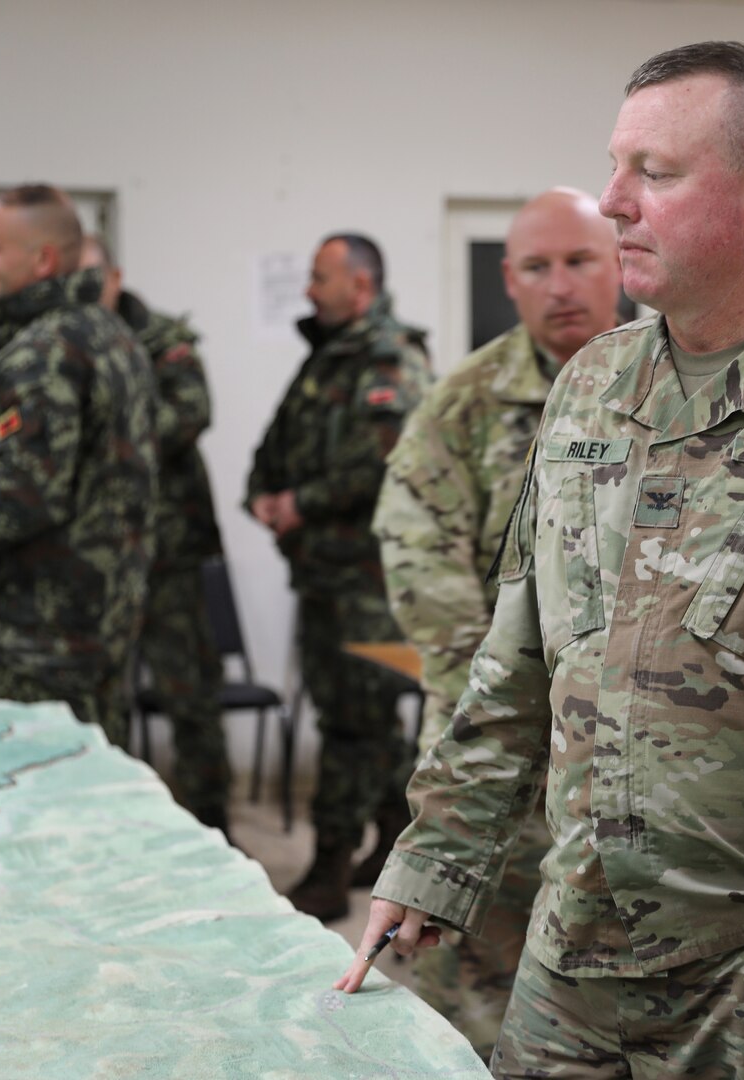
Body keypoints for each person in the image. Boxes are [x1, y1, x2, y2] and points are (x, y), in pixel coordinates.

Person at [342, 42, 744, 1078]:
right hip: (574, 945)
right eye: (615, 165)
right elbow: (517, 658)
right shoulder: (590, 386)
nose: (612, 201)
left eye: (655, 173)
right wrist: (438, 860)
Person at [373, 187, 623, 1060]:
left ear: (621, 263)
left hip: (642, 749)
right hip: (500, 746)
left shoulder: (669, 383)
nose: (560, 285)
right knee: (465, 982)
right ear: (509, 281)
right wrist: (492, 693)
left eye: (580, 260)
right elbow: (415, 545)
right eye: (536, 267)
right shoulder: (465, 403)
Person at [0, 184, 157, 745]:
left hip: (42, 631)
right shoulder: (111, 334)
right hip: (98, 616)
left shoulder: (43, 350)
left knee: (43, 796)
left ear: (42, 260)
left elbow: (24, 498)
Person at [245, 233, 430, 921]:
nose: (307, 290)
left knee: (356, 723)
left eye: (319, 277)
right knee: (356, 719)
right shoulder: (323, 362)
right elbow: (273, 446)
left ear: (359, 285)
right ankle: (386, 840)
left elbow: (387, 461)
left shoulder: (389, 360)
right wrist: (263, 494)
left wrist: (305, 502)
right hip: (320, 579)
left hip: (368, 585)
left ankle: (329, 866)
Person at [80, 234, 232, 834]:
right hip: (95, 556)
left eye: (94, 275)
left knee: (189, 693)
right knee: (101, 698)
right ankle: (110, 821)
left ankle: (212, 820)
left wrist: (109, 436)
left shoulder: (163, 338)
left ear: (115, 276)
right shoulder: (65, 344)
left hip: (169, 549)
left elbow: (191, 412)